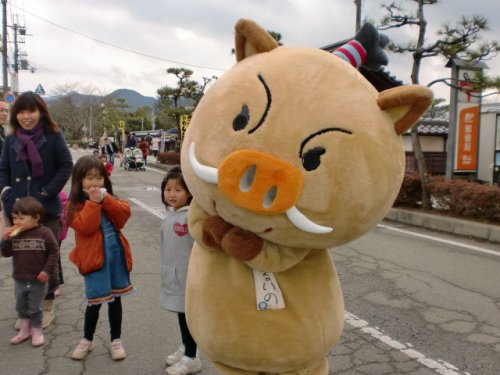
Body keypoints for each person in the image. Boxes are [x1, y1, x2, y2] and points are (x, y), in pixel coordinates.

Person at [0, 91, 73, 329]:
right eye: (21, 111)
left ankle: (47, 306)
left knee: (46, 257)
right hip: (18, 210)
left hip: (46, 210)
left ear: (41, 111)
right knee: (22, 258)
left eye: (31, 111)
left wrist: (47, 192)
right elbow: (3, 169)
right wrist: (6, 192)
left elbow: (65, 165)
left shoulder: (53, 136)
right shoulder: (11, 140)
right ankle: (27, 309)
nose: (26, 116)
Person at [67, 155, 134, 361]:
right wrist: (94, 204)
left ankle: (116, 340)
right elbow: (86, 227)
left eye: (99, 178)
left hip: (116, 256)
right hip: (94, 260)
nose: (94, 183)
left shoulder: (109, 198)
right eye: (89, 178)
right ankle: (87, 339)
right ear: (79, 181)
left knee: (116, 300)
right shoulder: (73, 207)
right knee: (94, 301)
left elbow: (123, 217)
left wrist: (106, 200)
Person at [1, 197, 59, 347]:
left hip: (38, 280)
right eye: (14, 218)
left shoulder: (44, 233)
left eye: (22, 218)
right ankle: (24, 331)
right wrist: (5, 239)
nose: (17, 222)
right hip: (19, 278)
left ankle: (37, 331)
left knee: (34, 307)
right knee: (21, 306)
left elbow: (54, 253)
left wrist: (47, 271)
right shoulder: (15, 234)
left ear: (36, 218)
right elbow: (7, 253)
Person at [160, 166, 201, 375]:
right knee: (181, 315)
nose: (172, 194)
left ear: (189, 193)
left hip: (188, 277)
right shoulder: (168, 217)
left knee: (188, 318)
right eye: (168, 189)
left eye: (178, 190)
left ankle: (192, 357)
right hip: (173, 275)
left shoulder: (191, 217)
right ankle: (186, 347)